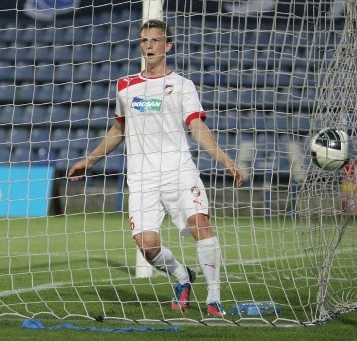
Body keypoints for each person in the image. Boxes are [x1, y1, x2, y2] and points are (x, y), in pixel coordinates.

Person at [68, 19, 245, 318]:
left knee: (199, 224)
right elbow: (118, 129)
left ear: (168, 46)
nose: (149, 45)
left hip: (179, 170)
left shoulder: (182, 85)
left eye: (155, 40)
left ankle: (214, 298)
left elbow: (197, 127)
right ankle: (182, 276)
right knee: (147, 247)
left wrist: (226, 160)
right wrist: (91, 159)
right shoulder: (125, 86)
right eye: (143, 40)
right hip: (141, 177)